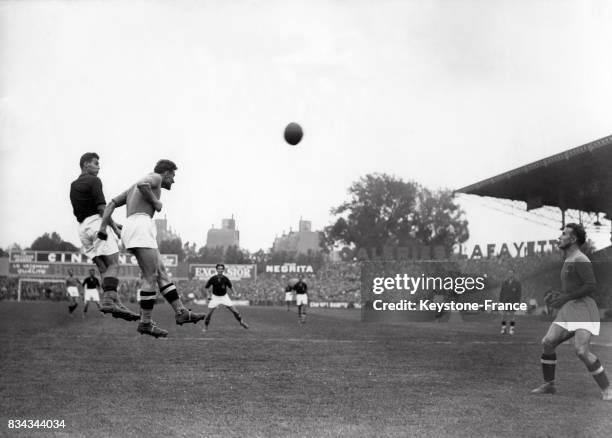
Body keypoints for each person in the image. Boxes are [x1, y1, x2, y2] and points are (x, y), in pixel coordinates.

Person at [99, 159, 205, 338]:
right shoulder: (154, 177)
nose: (173, 181)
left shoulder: (131, 189)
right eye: (173, 176)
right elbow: (143, 184)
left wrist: (106, 228)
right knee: (151, 276)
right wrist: (155, 202)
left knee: (161, 272)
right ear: (166, 173)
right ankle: (145, 322)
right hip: (141, 225)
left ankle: (181, 312)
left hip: (133, 226)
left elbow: (110, 204)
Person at [531, 223, 612, 400]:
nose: (560, 237)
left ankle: (607, 388)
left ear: (573, 239)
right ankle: (549, 385)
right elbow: (573, 288)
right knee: (548, 342)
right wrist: (559, 296)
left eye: (564, 234)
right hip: (570, 308)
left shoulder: (581, 259)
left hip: (583, 308)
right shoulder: (568, 259)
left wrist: (566, 298)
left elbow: (591, 286)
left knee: (581, 351)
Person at [69, 152, 139, 322]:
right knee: (114, 264)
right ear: (85, 164)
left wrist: (111, 223)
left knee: (103, 269)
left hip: (82, 229)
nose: (99, 166)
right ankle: (108, 301)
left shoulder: (73, 185)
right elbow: (102, 209)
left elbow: (92, 209)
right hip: (96, 226)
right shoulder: (94, 181)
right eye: (95, 163)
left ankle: (117, 304)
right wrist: (114, 228)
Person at [202, 264, 249, 332]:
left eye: (221, 269)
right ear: (217, 270)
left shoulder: (225, 279)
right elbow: (206, 288)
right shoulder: (213, 278)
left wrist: (235, 293)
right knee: (209, 314)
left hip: (224, 297)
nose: (220, 270)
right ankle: (205, 327)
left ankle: (241, 322)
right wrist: (208, 295)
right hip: (215, 297)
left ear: (223, 270)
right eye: (219, 269)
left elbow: (231, 287)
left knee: (235, 311)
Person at [499, 269, 522, 335]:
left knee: (512, 316)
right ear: (508, 274)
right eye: (509, 273)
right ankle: (503, 328)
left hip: (513, 301)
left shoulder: (517, 283)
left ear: (514, 274)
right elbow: (502, 292)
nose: (510, 274)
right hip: (505, 301)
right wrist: (500, 301)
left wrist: (518, 302)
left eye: (511, 273)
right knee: (504, 315)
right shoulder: (504, 282)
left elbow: (519, 293)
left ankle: (511, 329)